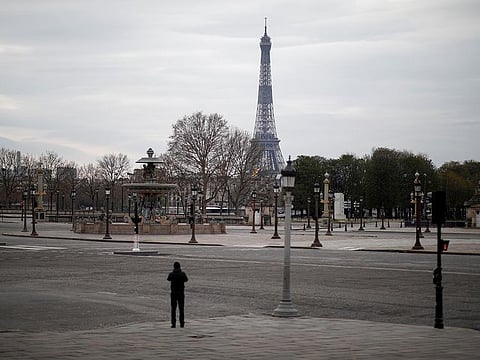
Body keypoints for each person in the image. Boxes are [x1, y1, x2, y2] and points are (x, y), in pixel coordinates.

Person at [167, 261, 188, 328]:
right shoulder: (182, 274)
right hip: (181, 292)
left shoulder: (171, 274)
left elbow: (168, 279)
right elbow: (186, 280)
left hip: (173, 292)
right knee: (181, 308)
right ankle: (182, 322)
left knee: (173, 309)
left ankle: (173, 323)